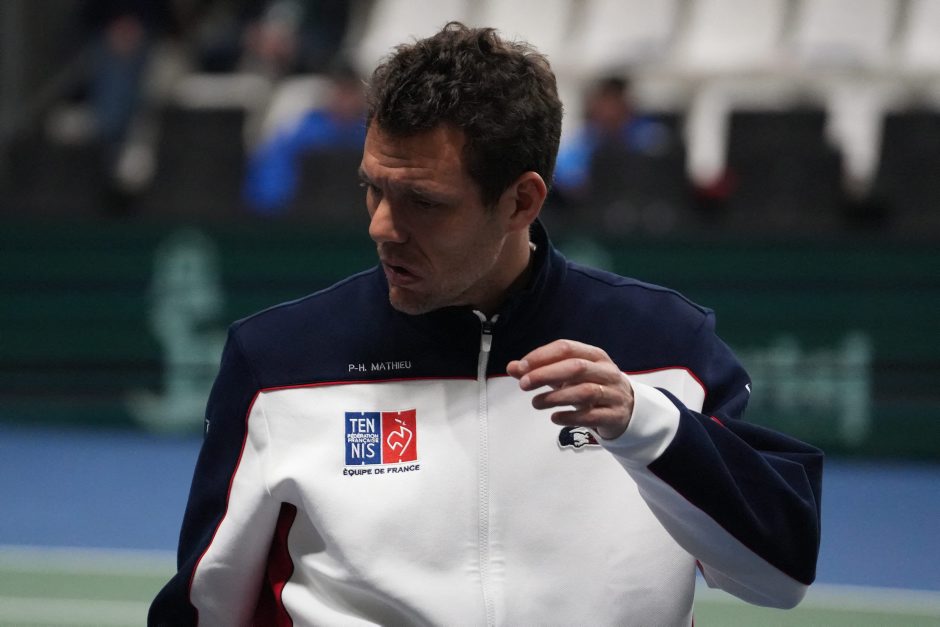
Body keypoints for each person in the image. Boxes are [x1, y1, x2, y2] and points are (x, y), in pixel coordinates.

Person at [149, 22, 823, 626]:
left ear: (521, 201)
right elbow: (206, 606)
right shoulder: (276, 362)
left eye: (422, 201)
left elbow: (780, 576)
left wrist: (643, 424)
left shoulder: (667, 346)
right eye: (373, 187)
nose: (381, 226)